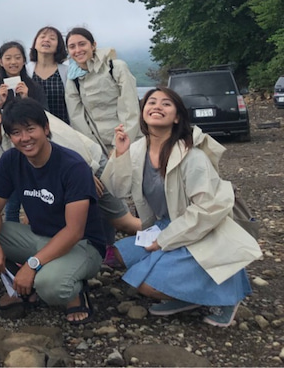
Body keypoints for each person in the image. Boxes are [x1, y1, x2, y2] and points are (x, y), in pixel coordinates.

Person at [102, 88, 261, 327]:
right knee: (117, 255)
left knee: (145, 284)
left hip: (201, 230)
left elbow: (208, 210)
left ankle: (227, 292)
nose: (157, 106)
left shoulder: (192, 156)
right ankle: (187, 296)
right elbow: (117, 190)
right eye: (151, 102)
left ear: (177, 117)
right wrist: (120, 154)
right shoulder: (137, 150)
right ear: (143, 112)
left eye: (166, 104)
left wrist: (165, 240)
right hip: (164, 224)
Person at [0, 98, 105, 325]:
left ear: (46, 128)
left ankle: (76, 291)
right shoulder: (11, 160)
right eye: (16, 133)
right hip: (39, 236)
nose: (25, 138)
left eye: (30, 129)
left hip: (82, 245)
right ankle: (19, 289)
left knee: (50, 287)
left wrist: (32, 265)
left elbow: (74, 231)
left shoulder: (73, 166)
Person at [0, 99, 140, 273]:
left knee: (122, 221)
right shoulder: (3, 142)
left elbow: (66, 142)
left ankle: (151, 238)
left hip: (90, 163)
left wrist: (88, 172)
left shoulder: (26, 119)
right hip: (72, 171)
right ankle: (101, 253)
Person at [64, 27, 139, 155]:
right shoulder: (73, 79)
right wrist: (95, 151)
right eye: (72, 47)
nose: (78, 50)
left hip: (128, 140)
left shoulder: (115, 67)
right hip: (98, 146)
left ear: (93, 45)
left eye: (82, 44)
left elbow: (130, 108)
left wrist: (120, 145)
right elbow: (77, 118)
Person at [0, 41, 47, 110]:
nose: (13, 62)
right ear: (1, 62)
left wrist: (26, 99)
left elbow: (44, 113)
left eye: (17, 58)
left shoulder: (34, 87)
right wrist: (0, 102)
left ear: (24, 61)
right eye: (8, 58)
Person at [26, 26, 70, 123]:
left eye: (52, 38)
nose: (46, 40)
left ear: (58, 46)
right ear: (35, 44)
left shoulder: (67, 72)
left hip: (63, 127)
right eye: (42, 37)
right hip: (33, 126)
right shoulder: (25, 71)